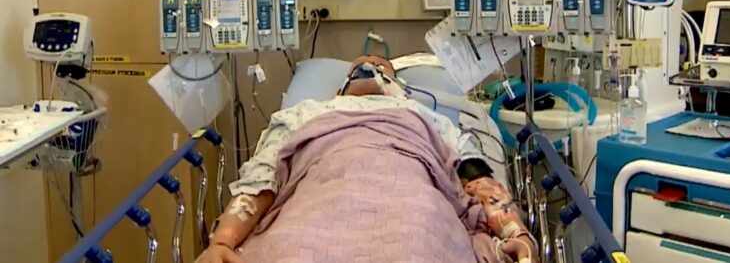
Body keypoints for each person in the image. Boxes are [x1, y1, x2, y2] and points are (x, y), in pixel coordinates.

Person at [195, 56, 538, 263]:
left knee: (416, 244)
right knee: (294, 248)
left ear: (397, 86)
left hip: (412, 202)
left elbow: (479, 182)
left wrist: (516, 233)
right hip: (318, 198)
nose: (370, 67)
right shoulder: (306, 113)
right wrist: (224, 241)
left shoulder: (426, 117)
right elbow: (262, 179)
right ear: (341, 88)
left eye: (380, 66)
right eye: (360, 66)